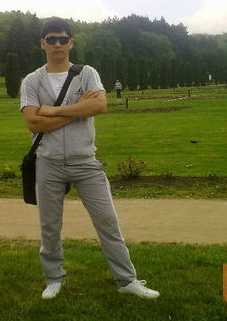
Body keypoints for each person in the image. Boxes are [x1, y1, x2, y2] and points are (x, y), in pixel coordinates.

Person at [20, 18, 159, 300]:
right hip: (48, 163)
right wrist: (78, 108)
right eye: (51, 40)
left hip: (85, 162)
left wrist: (53, 111)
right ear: (42, 44)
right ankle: (54, 279)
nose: (57, 44)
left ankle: (127, 280)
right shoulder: (32, 80)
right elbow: (33, 123)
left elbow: (100, 105)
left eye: (63, 39)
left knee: (108, 222)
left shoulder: (86, 73)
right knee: (49, 227)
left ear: (71, 42)